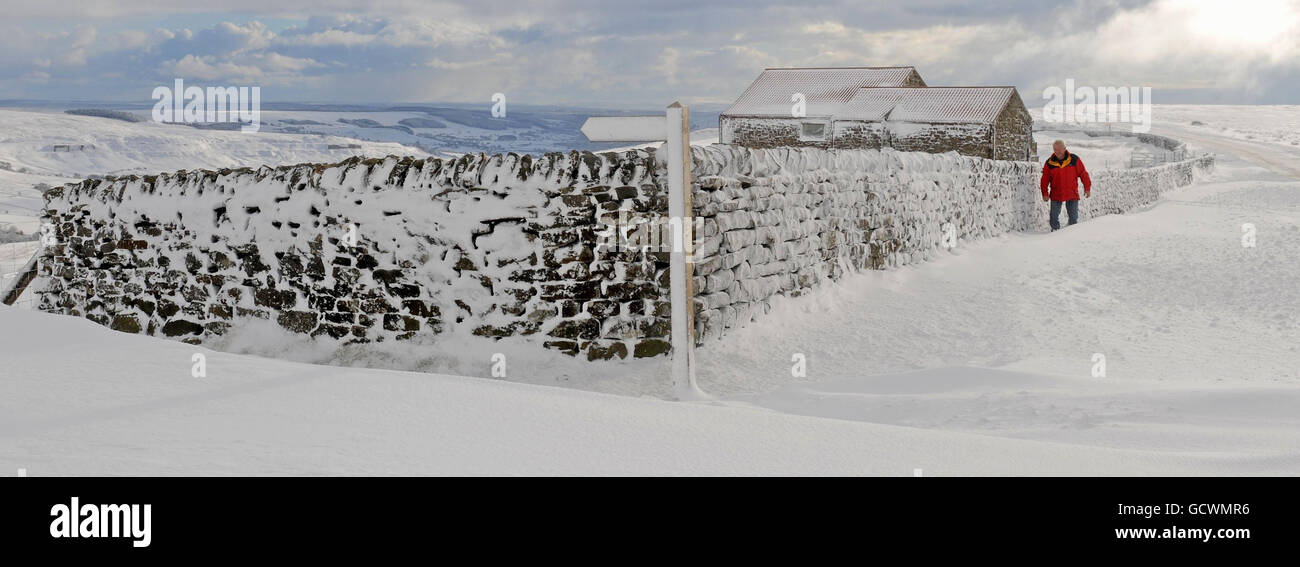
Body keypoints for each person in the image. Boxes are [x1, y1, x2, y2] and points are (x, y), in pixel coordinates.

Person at [1040, 140, 1092, 231]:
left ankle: (1071, 235)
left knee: (1073, 218)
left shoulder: (1074, 160)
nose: (1057, 152)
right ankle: (1055, 233)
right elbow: (1044, 179)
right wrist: (1045, 193)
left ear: (1064, 149)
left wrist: (1087, 188)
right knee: (1053, 218)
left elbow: (1083, 174)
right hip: (1056, 193)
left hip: (1071, 193)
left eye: (1059, 150)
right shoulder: (1049, 163)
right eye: (1055, 150)